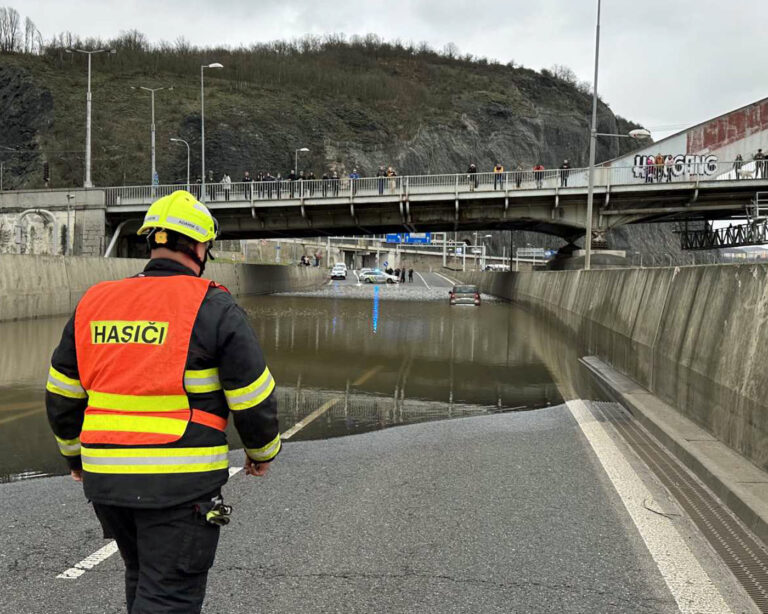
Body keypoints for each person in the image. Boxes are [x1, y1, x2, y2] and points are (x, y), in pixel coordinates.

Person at [45, 190, 280, 614]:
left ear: (153, 240)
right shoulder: (213, 304)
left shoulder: (95, 301)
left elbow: (62, 395)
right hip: (180, 483)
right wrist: (262, 451)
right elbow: (252, 395)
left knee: (142, 577)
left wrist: (75, 457)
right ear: (199, 245)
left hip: (107, 482)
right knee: (168, 594)